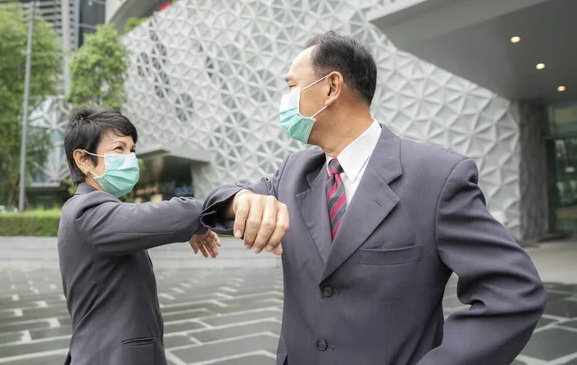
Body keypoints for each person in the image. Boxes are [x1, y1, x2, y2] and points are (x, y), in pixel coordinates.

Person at [200, 31, 547, 365]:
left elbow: (512, 292)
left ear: (331, 88)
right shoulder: (294, 171)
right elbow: (217, 200)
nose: (285, 100)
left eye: (292, 87)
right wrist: (241, 199)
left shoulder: (437, 177)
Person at [58, 108, 220, 365]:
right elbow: (161, 217)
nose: (130, 158)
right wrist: (211, 211)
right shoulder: (86, 211)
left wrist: (194, 227)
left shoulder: (97, 209)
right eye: (119, 149)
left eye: (132, 150)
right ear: (84, 159)